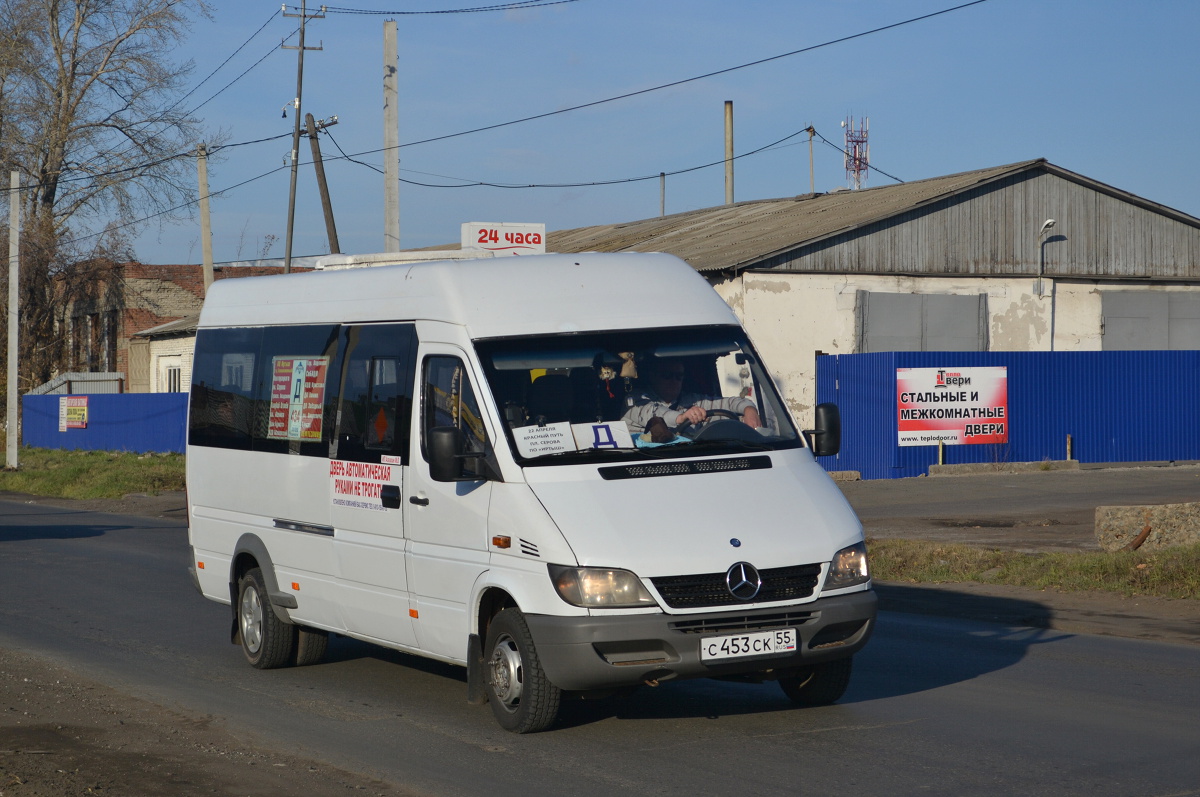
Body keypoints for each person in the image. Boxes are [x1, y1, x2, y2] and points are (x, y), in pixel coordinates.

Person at [622, 358, 762, 436]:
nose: (674, 381)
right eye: (667, 376)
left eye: (679, 376)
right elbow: (654, 413)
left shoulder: (692, 401)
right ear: (652, 377)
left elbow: (730, 403)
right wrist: (681, 418)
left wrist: (749, 410)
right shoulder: (635, 400)